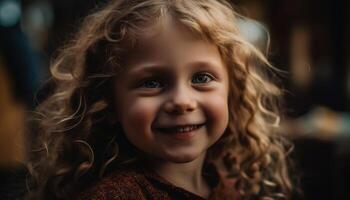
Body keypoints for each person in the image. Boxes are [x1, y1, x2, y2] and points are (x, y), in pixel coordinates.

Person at [26, 0, 294, 199]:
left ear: (232, 90)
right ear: (108, 102)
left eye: (201, 78)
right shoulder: (116, 196)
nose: (181, 101)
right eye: (151, 83)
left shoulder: (224, 184)